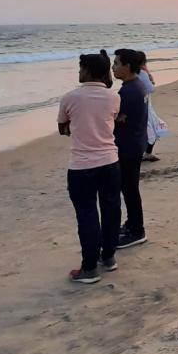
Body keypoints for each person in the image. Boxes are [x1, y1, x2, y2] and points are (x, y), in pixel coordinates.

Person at [57, 52, 121, 283]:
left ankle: (90, 267)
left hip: (82, 164)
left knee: (87, 214)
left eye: (80, 67)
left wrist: (78, 129)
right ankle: (109, 257)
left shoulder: (70, 97)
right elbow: (111, 121)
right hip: (110, 161)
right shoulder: (113, 97)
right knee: (111, 210)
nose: (79, 71)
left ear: (87, 70)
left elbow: (62, 128)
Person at [112, 49, 148, 250]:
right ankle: (133, 224)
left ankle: (136, 230)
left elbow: (116, 119)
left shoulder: (128, 91)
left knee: (130, 190)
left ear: (127, 67)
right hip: (135, 143)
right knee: (130, 189)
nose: (113, 67)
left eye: (116, 63)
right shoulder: (137, 85)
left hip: (128, 146)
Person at [138, 58, 166, 162]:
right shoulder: (142, 73)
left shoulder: (133, 74)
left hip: (142, 105)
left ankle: (145, 153)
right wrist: (151, 81)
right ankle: (147, 153)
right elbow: (151, 89)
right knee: (153, 129)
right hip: (146, 105)